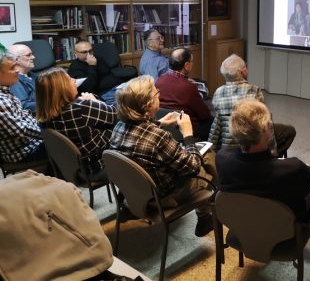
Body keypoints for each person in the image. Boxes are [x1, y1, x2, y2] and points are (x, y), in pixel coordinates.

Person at [109, 75, 215, 237]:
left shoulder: (118, 127)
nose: (159, 94)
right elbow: (192, 167)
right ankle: (205, 216)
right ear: (148, 104)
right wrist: (188, 135)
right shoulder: (159, 138)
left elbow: (141, 137)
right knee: (207, 158)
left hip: (137, 192)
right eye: (156, 93)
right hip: (165, 196)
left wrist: (159, 123)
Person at [216, 98, 310, 221]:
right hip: (283, 231)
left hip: (241, 226)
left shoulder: (222, 159)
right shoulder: (293, 168)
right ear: (266, 129)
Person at [208, 54, 296, 158]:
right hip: (251, 143)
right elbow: (265, 123)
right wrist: (272, 153)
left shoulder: (218, 92)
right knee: (289, 130)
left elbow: (217, 125)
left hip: (226, 149)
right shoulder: (254, 91)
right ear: (244, 71)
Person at [36, 67, 117, 174]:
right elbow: (117, 115)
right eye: (69, 79)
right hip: (98, 162)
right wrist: (95, 101)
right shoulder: (81, 109)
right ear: (61, 88)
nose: (74, 80)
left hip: (74, 167)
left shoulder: (43, 117)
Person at [0, 50, 47, 164]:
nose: (17, 70)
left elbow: (25, 115)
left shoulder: (6, 90)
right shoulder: (2, 101)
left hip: (30, 142)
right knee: (69, 142)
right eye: (11, 68)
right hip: (24, 152)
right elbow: (22, 131)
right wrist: (51, 133)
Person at [155, 48, 212, 140]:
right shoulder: (189, 87)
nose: (192, 64)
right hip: (187, 131)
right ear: (186, 65)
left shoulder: (159, 80)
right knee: (212, 120)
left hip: (166, 129)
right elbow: (204, 114)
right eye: (192, 61)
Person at [68, 41, 123, 105]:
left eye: (90, 51)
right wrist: (92, 66)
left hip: (117, 87)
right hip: (102, 94)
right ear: (76, 53)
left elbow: (108, 74)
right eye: (84, 52)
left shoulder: (98, 59)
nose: (89, 55)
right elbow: (87, 88)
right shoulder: (74, 67)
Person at [8, 44, 36, 113]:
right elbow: (24, 105)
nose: (33, 57)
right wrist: (51, 103)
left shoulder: (31, 74)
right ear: (17, 60)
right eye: (28, 55)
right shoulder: (13, 80)